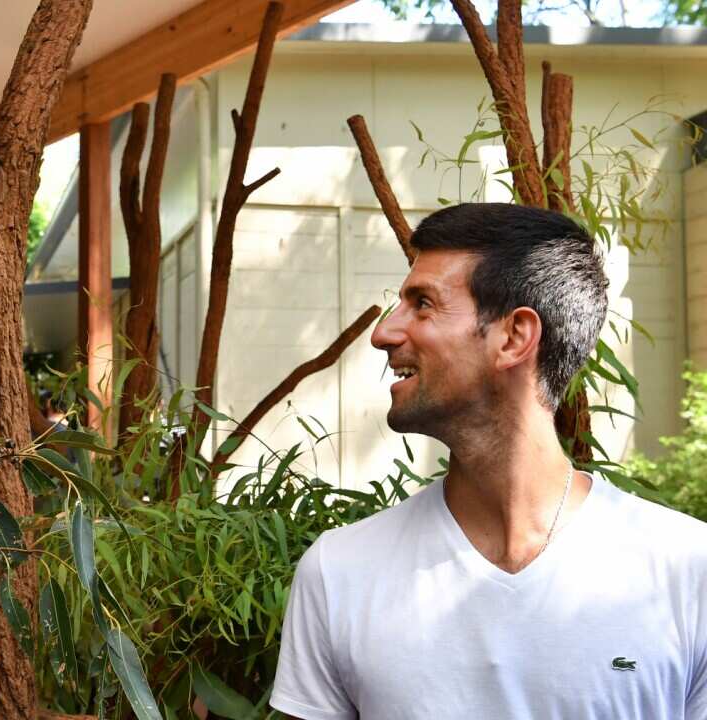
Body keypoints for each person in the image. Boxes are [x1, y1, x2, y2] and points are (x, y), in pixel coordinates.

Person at [269, 203, 707, 720]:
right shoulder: (339, 572)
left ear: (515, 337)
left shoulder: (688, 570)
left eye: (423, 304)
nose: (384, 333)